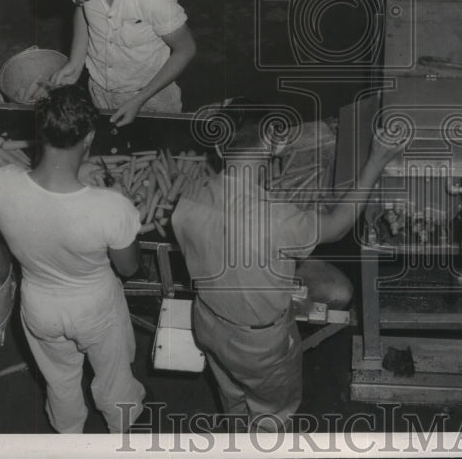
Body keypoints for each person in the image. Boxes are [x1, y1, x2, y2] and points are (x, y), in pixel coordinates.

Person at [171, 102, 405, 432]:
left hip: (208, 323)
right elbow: (337, 226)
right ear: (274, 143)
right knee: (271, 410)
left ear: (219, 144)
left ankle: (235, 436)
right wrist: (376, 160)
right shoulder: (278, 219)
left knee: (231, 392)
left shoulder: (187, 199)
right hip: (259, 346)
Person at [0, 85, 146, 433]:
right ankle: (123, 430)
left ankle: (68, 437)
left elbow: (35, 218)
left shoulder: (0, 183)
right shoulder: (112, 207)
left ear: (40, 132)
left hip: (39, 305)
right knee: (114, 378)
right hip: (94, 306)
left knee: (60, 381)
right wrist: (120, 206)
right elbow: (129, 268)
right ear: (89, 138)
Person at [47, 0, 196, 125]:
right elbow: (83, 13)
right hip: (100, 89)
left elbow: (186, 50)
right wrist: (75, 62)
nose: (78, 0)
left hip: (150, 94)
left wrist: (140, 99)